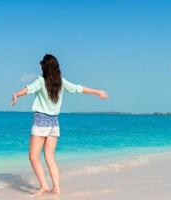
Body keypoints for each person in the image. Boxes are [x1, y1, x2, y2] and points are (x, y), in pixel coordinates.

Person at [11, 54, 108, 197]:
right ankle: (56, 188)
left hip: (41, 122)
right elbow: (78, 88)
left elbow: (28, 89)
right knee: (50, 157)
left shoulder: (41, 81)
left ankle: (44, 186)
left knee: (33, 157)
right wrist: (96, 92)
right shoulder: (61, 82)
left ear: (45, 68)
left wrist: (16, 95)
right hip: (54, 123)